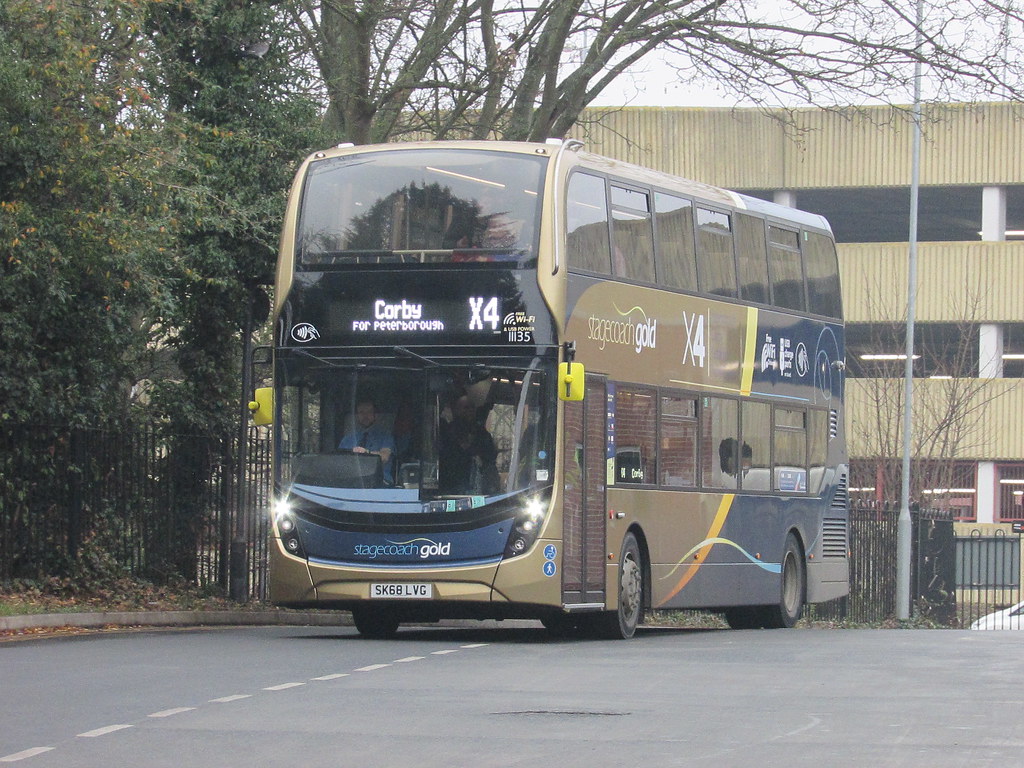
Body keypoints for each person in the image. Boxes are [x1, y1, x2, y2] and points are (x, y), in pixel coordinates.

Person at [438, 394, 499, 494]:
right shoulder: (447, 433)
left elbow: (490, 457)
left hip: (478, 486)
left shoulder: (482, 433)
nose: (469, 411)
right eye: (465, 408)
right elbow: (446, 458)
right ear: (457, 410)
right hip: (452, 486)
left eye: (472, 408)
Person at [338, 399, 395, 485]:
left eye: (369, 412)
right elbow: (340, 462)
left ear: (375, 415)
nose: (365, 416)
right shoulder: (347, 439)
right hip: (352, 483)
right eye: (361, 412)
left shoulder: (386, 437)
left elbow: (384, 456)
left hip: (381, 483)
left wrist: (366, 453)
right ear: (357, 416)